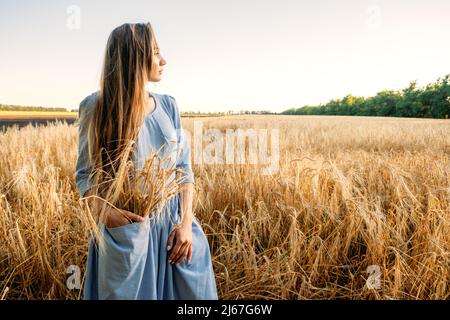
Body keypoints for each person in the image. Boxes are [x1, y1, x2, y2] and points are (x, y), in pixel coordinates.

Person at [74, 22, 218, 300]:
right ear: (134, 58)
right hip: (128, 232)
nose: (163, 61)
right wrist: (107, 214)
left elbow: (183, 170)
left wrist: (186, 223)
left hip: (173, 234)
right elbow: (84, 174)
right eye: (155, 53)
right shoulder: (95, 107)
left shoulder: (168, 106)